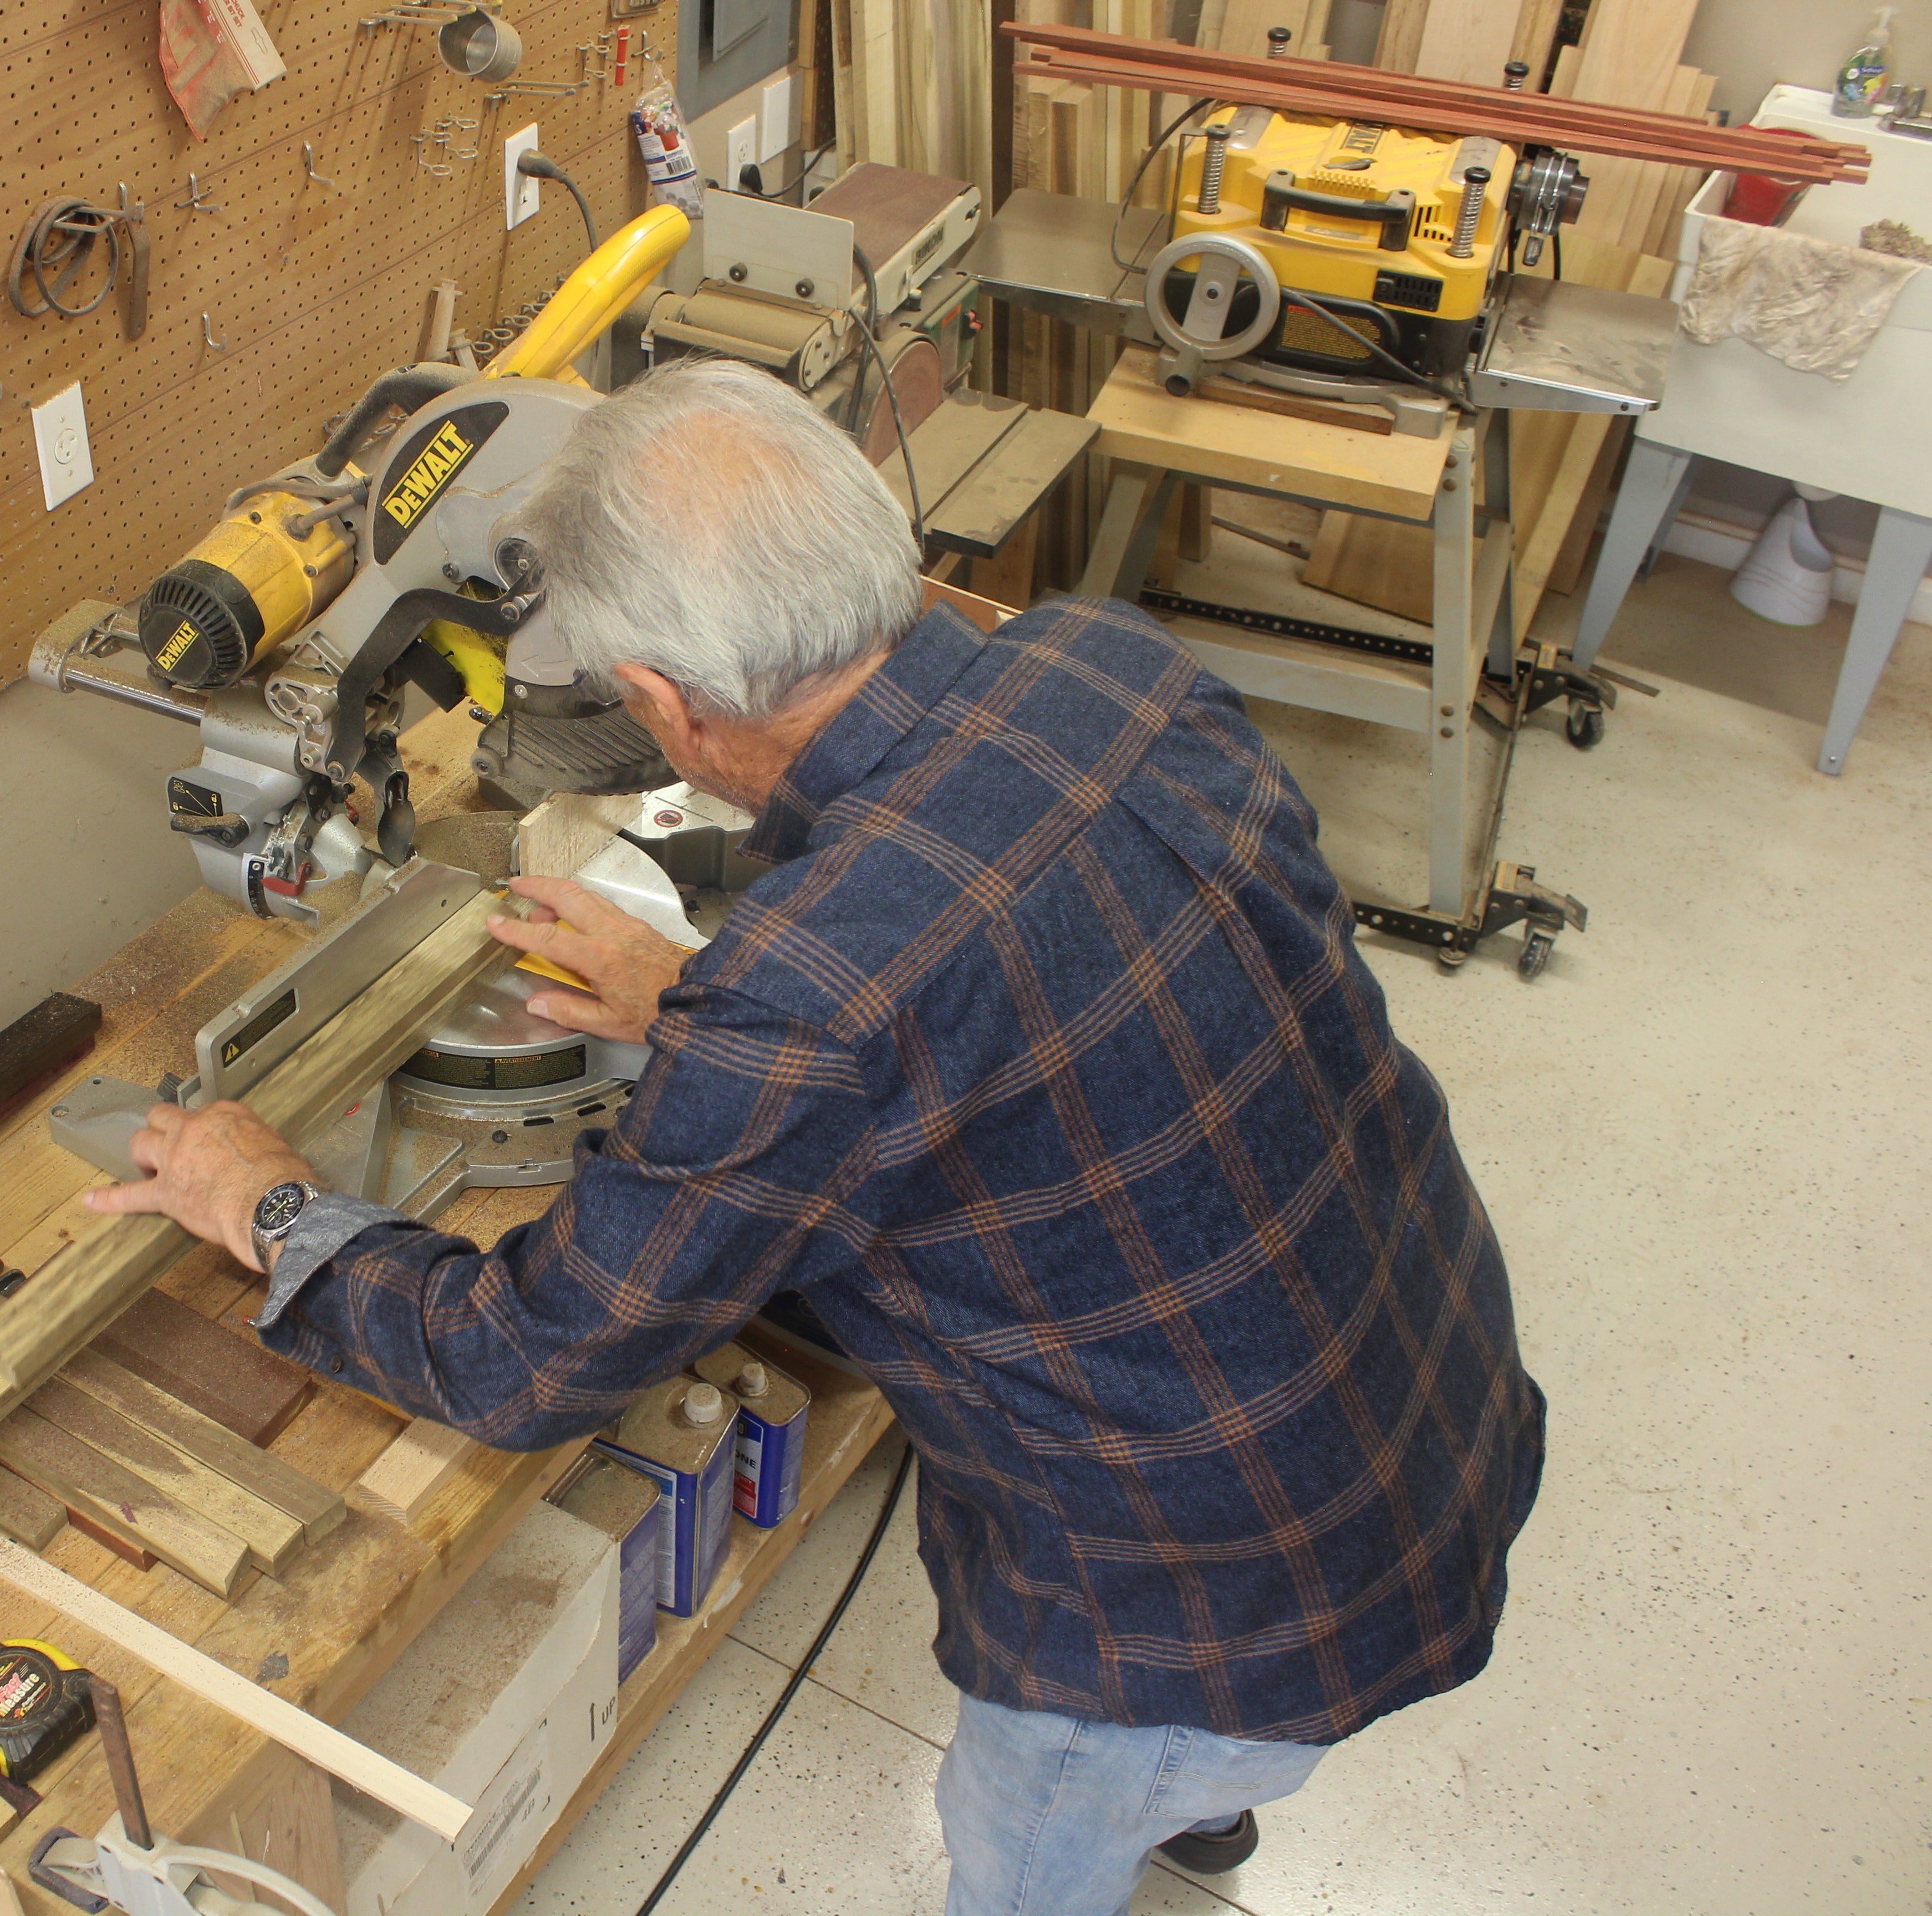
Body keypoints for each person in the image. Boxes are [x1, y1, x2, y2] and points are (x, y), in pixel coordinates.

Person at [85, 358, 1544, 1916]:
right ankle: (1211, 1813)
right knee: (1204, 1759)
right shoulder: (1103, 667)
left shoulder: (814, 1003)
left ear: (662, 705)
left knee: (1022, 1858)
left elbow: (528, 1365)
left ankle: (1172, 1802)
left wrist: (272, 1207)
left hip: (1192, 1619)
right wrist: (697, 1001)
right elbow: (1010, 964)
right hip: (1428, 1404)